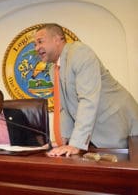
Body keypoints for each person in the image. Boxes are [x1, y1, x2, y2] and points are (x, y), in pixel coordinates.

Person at [34, 23, 138, 156]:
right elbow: (64, 107)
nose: (37, 48)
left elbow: (88, 100)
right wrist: (64, 140)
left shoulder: (79, 53)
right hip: (96, 135)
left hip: (118, 126)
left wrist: (76, 144)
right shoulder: (53, 69)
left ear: (57, 39)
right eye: (35, 45)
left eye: (40, 41)